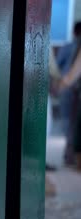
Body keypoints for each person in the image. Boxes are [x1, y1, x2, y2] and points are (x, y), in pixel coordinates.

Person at [56, 22, 81, 165]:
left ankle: (70, 155)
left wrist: (61, 85)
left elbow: (65, 71)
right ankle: (70, 155)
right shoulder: (72, 47)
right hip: (71, 90)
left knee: (70, 124)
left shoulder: (68, 47)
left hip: (70, 90)